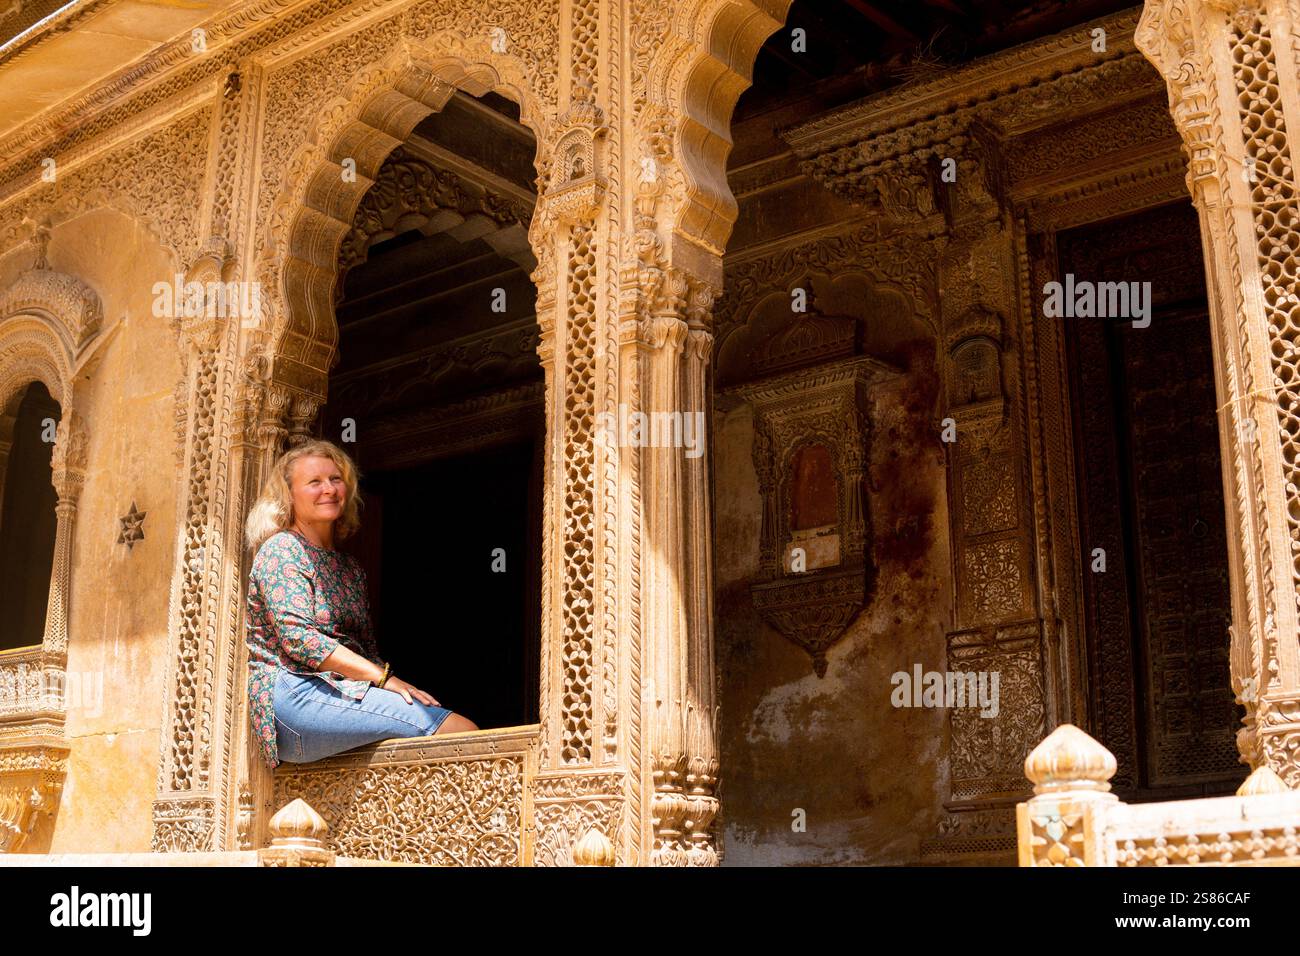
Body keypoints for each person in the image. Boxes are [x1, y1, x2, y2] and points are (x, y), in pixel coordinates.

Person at [243, 439, 477, 769]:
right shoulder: (282, 550)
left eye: (335, 479)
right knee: (460, 731)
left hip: (341, 693)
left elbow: (366, 648)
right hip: (295, 697)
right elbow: (301, 641)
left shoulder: (349, 568)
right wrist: (384, 679)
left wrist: (387, 683)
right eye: (314, 482)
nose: (329, 489)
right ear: (288, 496)